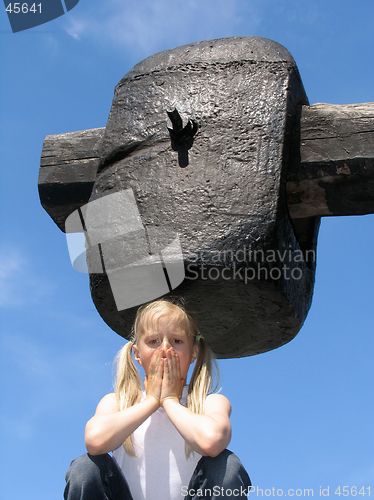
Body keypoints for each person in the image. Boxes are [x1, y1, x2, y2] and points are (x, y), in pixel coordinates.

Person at [64, 298, 251, 499]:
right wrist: (152, 400)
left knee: (225, 464)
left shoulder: (210, 402)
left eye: (177, 341)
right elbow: (94, 441)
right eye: (153, 341)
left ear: (194, 351)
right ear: (137, 353)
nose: (164, 349)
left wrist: (169, 399)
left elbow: (212, 442)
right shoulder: (117, 402)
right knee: (86, 466)